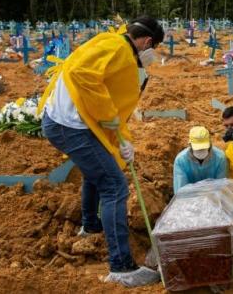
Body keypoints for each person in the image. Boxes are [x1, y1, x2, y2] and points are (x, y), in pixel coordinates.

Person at [38, 16, 164, 287]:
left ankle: (90, 226)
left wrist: (122, 143)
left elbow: (111, 101)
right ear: (147, 41)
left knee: (99, 170)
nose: (153, 53)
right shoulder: (118, 48)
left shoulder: (115, 44)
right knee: (115, 187)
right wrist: (109, 117)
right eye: (154, 47)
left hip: (73, 123)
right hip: (69, 125)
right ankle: (121, 267)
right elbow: (82, 75)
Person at [173, 126, 228, 193]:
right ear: (190, 145)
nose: (201, 151)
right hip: (190, 199)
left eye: (203, 148)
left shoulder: (220, 158)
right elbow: (181, 191)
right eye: (198, 149)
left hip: (213, 198)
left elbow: (221, 187)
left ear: (210, 143)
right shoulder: (181, 161)